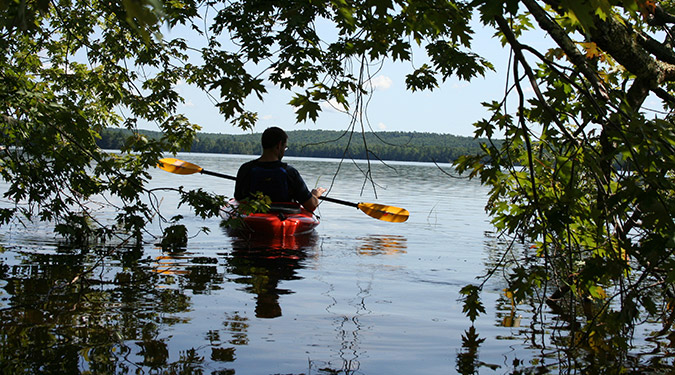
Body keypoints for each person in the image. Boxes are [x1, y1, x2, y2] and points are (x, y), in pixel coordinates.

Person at [234, 127, 326, 211]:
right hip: (282, 218)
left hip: (252, 217)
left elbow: (238, 199)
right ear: (279, 145)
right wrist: (315, 195)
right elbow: (311, 205)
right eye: (285, 147)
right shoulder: (290, 173)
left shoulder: (245, 169)